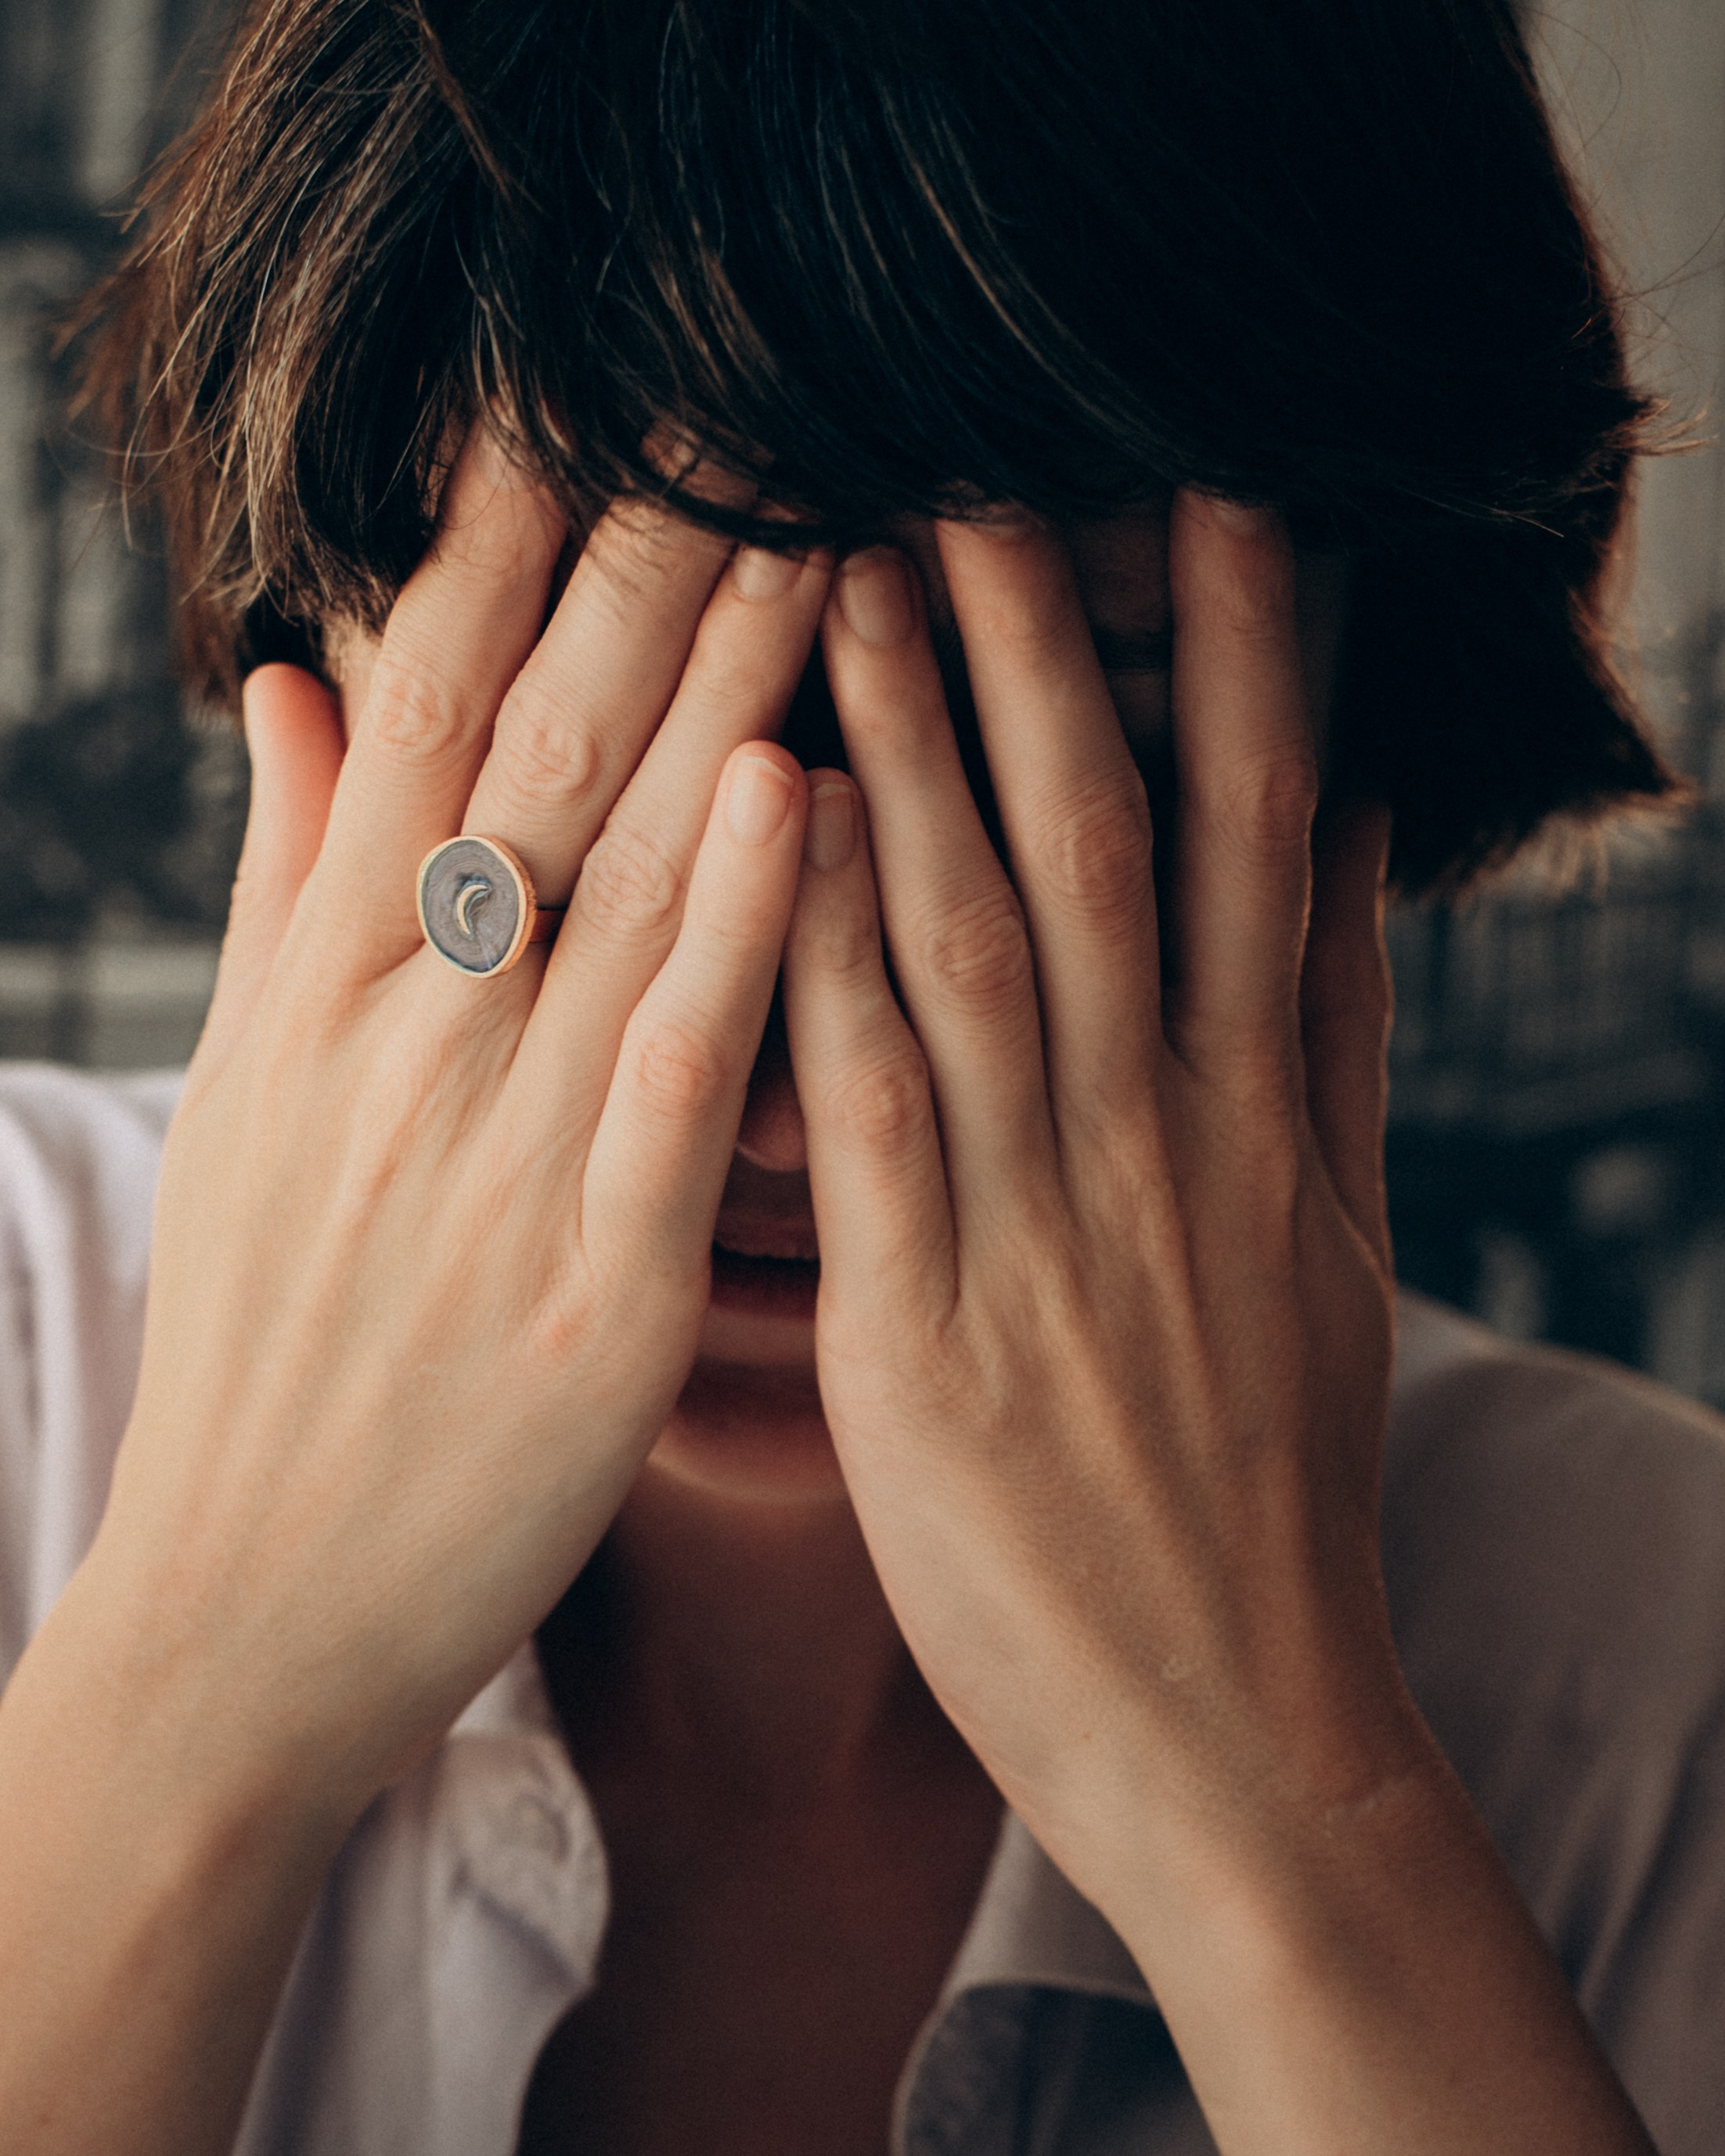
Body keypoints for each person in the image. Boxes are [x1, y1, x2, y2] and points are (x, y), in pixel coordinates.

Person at [2, 0, 1723, 2151]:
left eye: (1029, 774)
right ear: (321, 689)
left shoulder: (1656, 1666)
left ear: (1343, 774)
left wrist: (1290, 1819)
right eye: (602, 762)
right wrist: (191, 1704)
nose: (777, 1077)